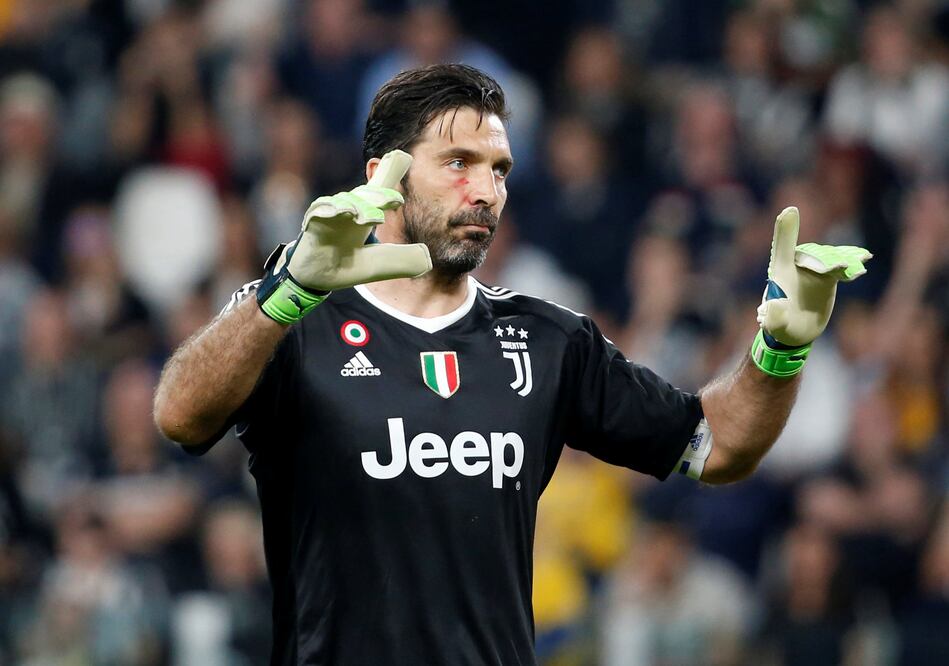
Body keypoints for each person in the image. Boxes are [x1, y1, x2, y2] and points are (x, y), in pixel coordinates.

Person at [153, 64, 871, 665]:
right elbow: (179, 416)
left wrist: (779, 352)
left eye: (498, 169)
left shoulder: (548, 340)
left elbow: (716, 446)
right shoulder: (293, 321)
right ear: (383, 176)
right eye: (457, 163)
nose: (486, 191)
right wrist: (286, 295)